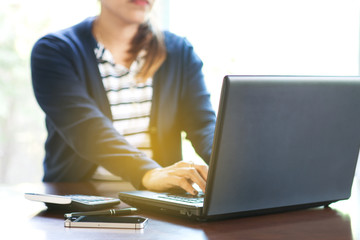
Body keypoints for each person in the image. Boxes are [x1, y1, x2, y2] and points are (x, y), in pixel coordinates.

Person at [31, 0, 216, 195]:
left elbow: (203, 125)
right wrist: (148, 173)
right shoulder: (54, 51)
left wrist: (232, 166)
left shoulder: (180, 52)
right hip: (81, 202)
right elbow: (86, 129)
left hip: (160, 200)